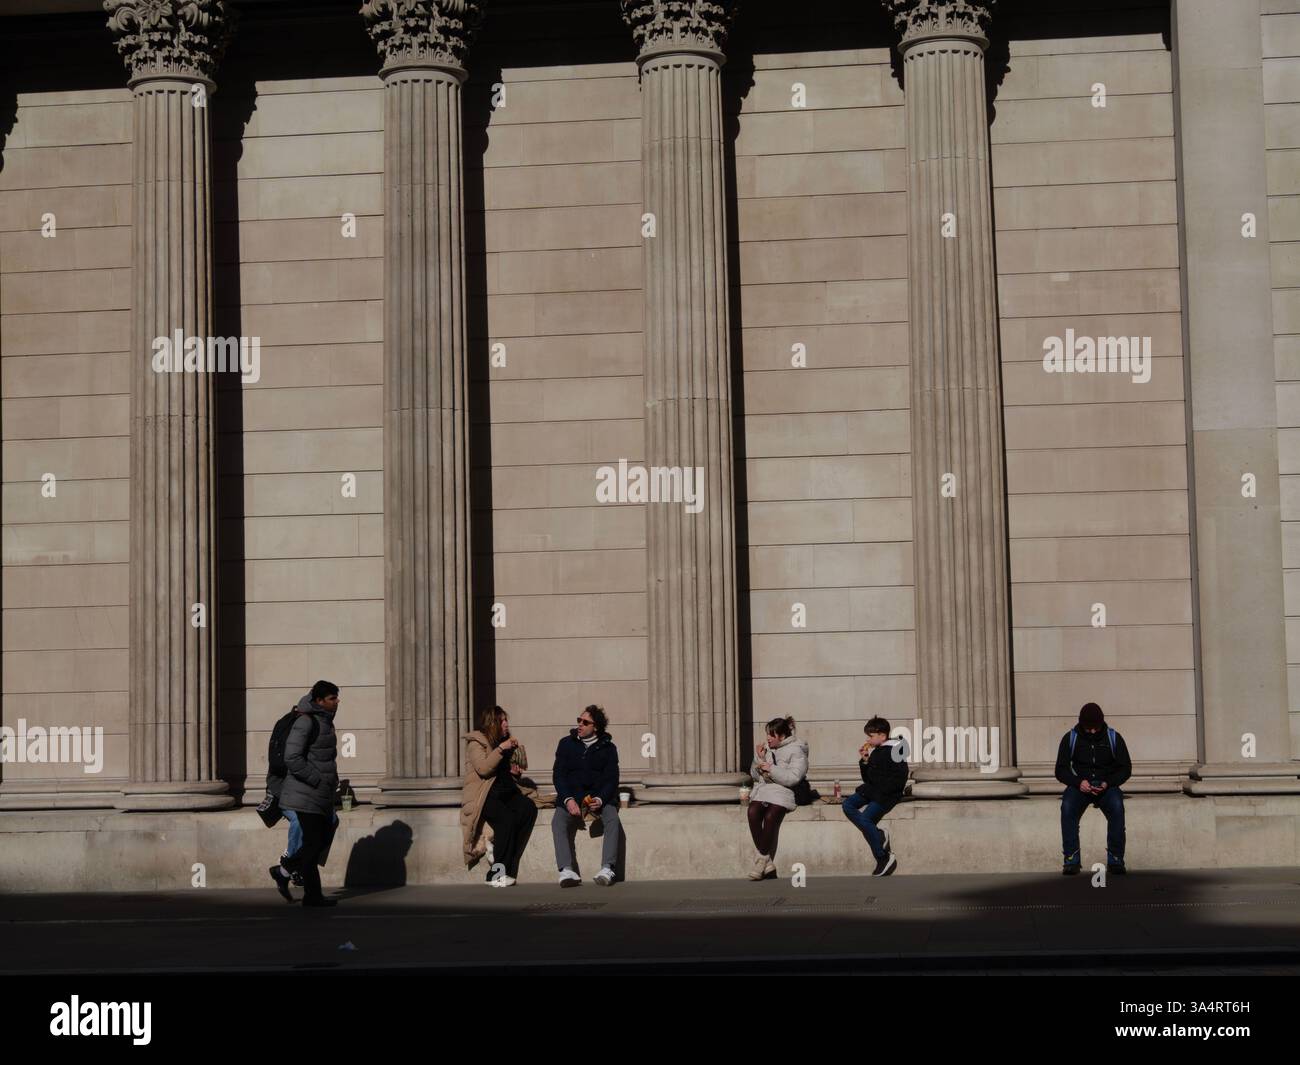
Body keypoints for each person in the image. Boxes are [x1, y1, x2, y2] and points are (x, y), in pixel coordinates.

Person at [278, 680, 342, 907]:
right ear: (319, 701)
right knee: (314, 843)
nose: (337, 701)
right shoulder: (306, 722)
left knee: (322, 837)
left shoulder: (325, 721)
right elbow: (292, 757)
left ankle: (284, 870)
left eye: (336, 697)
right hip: (305, 793)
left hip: (319, 793)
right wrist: (316, 779)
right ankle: (312, 895)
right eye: (332, 698)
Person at [461, 705, 538, 886]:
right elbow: (483, 768)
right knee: (506, 821)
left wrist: (514, 772)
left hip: (506, 791)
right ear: (492, 723)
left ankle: (508, 866)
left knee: (528, 808)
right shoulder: (477, 742)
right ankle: (495, 875)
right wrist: (501, 749)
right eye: (502, 721)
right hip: (485, 795)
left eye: (506, 720)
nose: (506, 724)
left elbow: (502, 772)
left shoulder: (504, 743)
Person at [1056, 702, 1131, 875]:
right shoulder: (1070, 738)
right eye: (1088, 728)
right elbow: (1060, 770)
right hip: (1080, 787)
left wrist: (1108, 783)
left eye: (1095, 728)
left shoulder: (1113, 737)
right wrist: (1077, 782)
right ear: (1081, 724)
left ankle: (1116, 859)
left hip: (1107, 786)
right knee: (1067, 808)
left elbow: (1125, 768)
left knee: (1117, 808)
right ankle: (1071, 859)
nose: (1092, 732)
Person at [552, 705, 621, 886]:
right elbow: (558, 775)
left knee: (612, 818)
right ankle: (566, 871)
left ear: (595, 726)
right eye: (579, 721)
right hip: (572, 797)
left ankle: (607, 868)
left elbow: (612, 779)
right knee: (558, 821)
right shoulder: (566, 744)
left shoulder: (608, 748)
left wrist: (600, 799)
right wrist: (568, 800)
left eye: (585, 722)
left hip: (598, 797)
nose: (580, 725)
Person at [841, 717, 907, 877]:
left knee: (865, 819)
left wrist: (882, 790)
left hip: (887, 795)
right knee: (848, 805)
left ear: (882, 736)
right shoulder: (877, 751)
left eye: (870, 736)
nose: (867, 739)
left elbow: (901, 777)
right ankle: (878, 834)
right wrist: (865, 761)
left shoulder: (895, 750)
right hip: (872, 789)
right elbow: (868, 778)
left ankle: (883, 857)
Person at [745, 716, 809, 881]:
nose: (768, 738)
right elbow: (754, 775)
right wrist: (758, 759)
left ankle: (760, 861)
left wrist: (772, 769)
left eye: (772, 735)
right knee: (752, 812)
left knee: (771, 816)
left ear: (782, 736)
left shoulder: (796, 750)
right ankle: (767, 862)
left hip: (784, 791)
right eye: (768, 734)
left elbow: (794, 777)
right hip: (764, 789)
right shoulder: (767, 749)